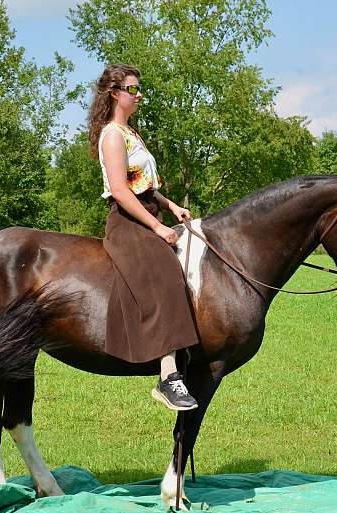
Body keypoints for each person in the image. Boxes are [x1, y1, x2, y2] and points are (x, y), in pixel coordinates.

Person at [88, 64, 199, 411]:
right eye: (133, 90)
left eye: (139, 89)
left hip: (148, 209)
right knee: (164, 272)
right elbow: (121, 192)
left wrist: (172, 207)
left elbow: (146, 187)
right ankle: (168, 376)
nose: (139, 96)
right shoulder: (112, 136)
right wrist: (157, 227)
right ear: (115, 93)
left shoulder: (133, 134)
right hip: (127, 221)